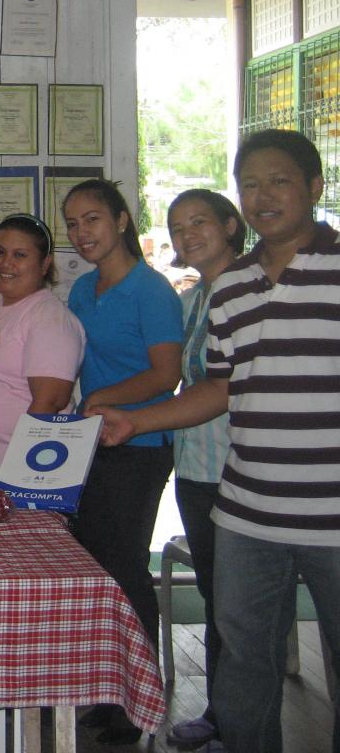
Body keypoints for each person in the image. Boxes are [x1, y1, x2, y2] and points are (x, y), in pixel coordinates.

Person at [96, 130, 340, 753]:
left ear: (314, 187)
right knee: (242, 663)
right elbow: (224, 387)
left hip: (333, 514)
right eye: (250, 183)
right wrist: (137, 422)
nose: (262, 196)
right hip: (246, 511)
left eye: (279, 180)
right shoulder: (230, 289)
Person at [62, 177, 182, 745]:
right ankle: (112, 692)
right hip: (90, 446)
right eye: (72, 223)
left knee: (127, 568)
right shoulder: (83, 291)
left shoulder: (151, 290)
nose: (82, 232)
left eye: (92, 219)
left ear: (122, 219)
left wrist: (102, 400)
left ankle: (142, 701)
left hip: (139, 447)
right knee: (99, 569)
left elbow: (166, 375)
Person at [159, 188, 246, 751]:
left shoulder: (256, 289)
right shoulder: (192, 300)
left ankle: (237, 719)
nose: (187, 234)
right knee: (220, 600)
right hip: (194, 467)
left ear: (231, 225)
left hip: (242, 471)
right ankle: (223, 714)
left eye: (199, 222)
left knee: (238, 607)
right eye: (177, 226)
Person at [0, 213, 84, 482]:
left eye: (20, 255)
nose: (6, 263)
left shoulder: (50, 318)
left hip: (21, 474)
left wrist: (19, 476)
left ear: (45, 264)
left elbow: (49, 402)